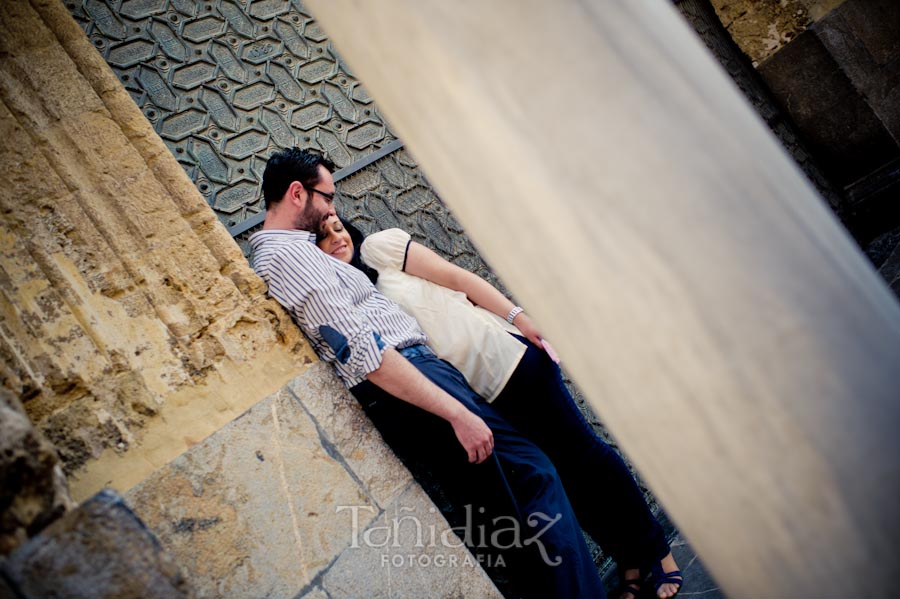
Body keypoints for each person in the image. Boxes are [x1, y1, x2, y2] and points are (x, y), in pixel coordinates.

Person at [249, 147, 606, 598]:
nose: (332, 211)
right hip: (415, 384)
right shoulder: (288, 257)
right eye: (328, 198)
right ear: (298, 193)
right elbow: (365, 352)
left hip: (424, 376)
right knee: (527, 490)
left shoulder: (297, 252)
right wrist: (456, 413)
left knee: (516, 508)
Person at [317, 215, 684, 599]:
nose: (336, 239)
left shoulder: (379, 249)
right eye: (323, 238)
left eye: (338, 228)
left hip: (508, 362)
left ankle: (659, 556)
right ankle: (631, 561)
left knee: (585, 458)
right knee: (561, 476)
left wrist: (520, 318)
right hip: (480, 398)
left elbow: (460, 279)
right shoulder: (350, 299)